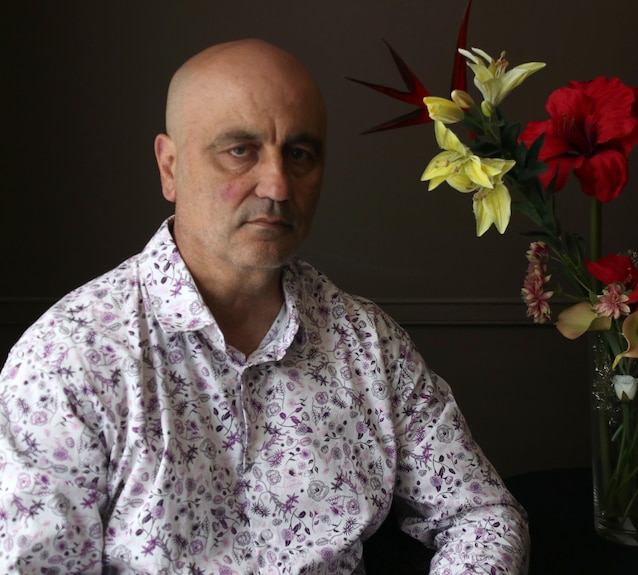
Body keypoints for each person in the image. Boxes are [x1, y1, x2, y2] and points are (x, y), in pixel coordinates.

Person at [0, 39, 529, 574]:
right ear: (169, 166)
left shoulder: (367, 343)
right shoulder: (70, 359)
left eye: (299, 154)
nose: (277, 185)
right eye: (240, 150)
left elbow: (482, 515)